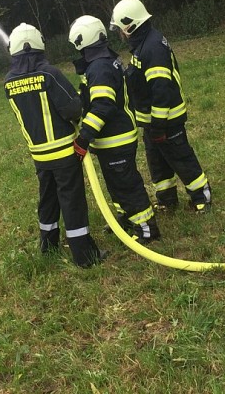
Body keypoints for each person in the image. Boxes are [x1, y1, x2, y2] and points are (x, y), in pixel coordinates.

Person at [4, 23, 105, 268]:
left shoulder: (9, 82)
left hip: (39, 155)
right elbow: (72, 109)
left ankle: (48, 246)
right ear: (39, 45)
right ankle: (84, 255)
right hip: (64, 152)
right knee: (72, 201)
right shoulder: (49, 74)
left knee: (47, 200)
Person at [110, 0, 212, 214]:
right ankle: (167, 200)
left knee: (181, 159)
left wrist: (158, 125)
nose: (120, 34)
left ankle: (202, 197)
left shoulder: (152, 47)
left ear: (130, 26)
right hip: (153, 123)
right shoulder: (143, 44)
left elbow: (161, 89)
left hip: (167, 121)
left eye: (120, 29)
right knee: (158, 163)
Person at [68, 15, 161, 244]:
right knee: (116, 183)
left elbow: (103, 106)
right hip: (113, 138)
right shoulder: (104, 60)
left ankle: (146, 227)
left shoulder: (99, 67)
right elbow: (94, 97)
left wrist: (84, 138)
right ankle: (127, 217)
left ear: (82, 41)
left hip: (116, 139)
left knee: (126, 185)